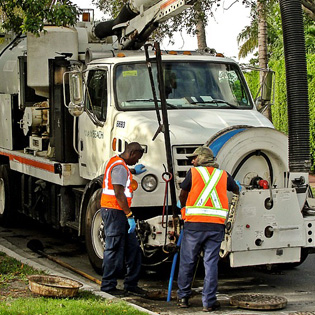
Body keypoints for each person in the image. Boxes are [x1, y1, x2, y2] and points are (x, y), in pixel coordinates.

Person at [176, 146, 241, 312]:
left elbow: (183, 193)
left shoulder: (194, 173)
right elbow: (236, 189)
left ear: (202, 158)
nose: (192, 161)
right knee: (211, 263)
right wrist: (234, 186)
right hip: (215, 226)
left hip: (194, 225)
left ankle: (183, 297)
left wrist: (182, 206)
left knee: (188, 261)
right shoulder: (223, 175)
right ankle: (209, 302)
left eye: (195, 158)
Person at [100, 142, 148, 298]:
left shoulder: (120, 164)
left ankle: (131, 285)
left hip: (118, 211)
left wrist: (133, 170)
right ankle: (108, 286)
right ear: (132, 153)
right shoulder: (120, 167)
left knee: (133, 249)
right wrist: (129, 215)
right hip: (115, 212)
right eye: (137, 158)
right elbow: (119, 193)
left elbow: (121, 175)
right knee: (113, 250)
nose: (137, 161)